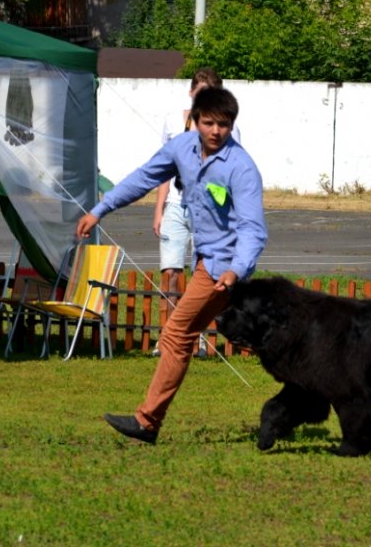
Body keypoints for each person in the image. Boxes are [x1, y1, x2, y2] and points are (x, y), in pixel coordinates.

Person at [76, 87, 267, 443]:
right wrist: (100, 210)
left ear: (232, 125)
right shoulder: (181, 148)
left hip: (222, 267)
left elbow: (253, 230)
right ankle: (299, 377)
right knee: (208, 335)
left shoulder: (241, 168)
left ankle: (147, 422)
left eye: (224, 125)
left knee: (177, 334)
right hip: (204, 260)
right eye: (208, 123)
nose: (216, 131)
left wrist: (236, 270)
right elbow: (143, 178)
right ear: (194, 120)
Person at [152, 67, 241, 356]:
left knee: (201, 276)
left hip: (209, 211)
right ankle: (167, 338)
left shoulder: (226, 130)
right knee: (170, 272)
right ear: (191, 93)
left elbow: (233, 173)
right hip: (176, 205)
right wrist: (159, 209)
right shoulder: (172, 121)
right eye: (201, 94)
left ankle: (196, 337)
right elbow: (163, 169)